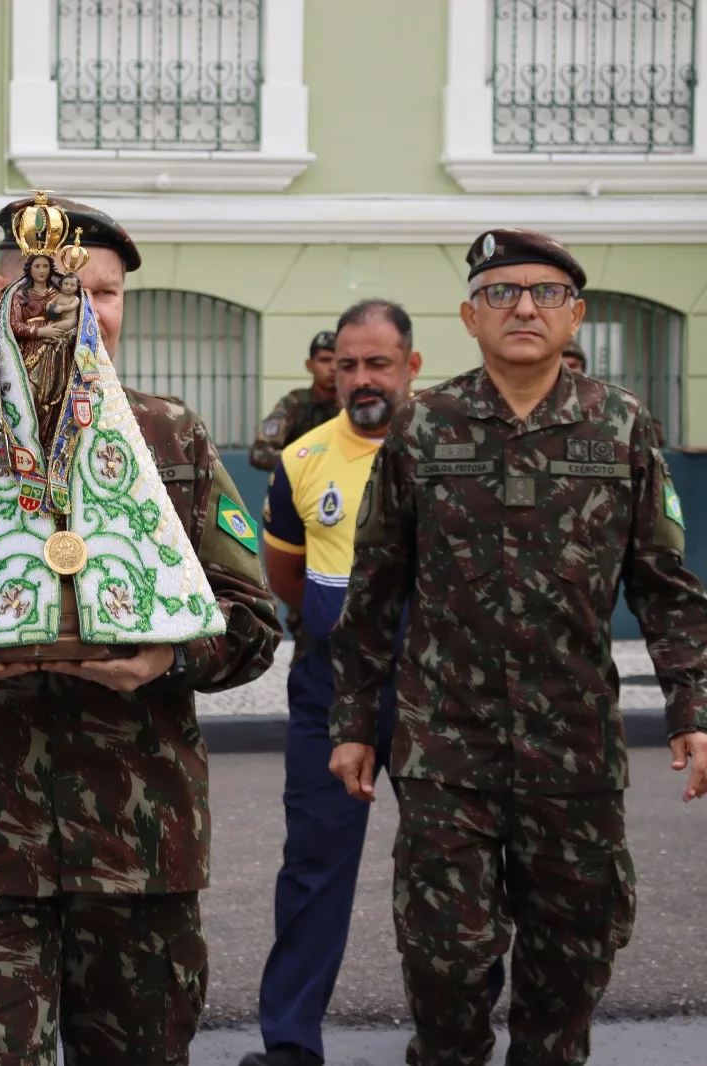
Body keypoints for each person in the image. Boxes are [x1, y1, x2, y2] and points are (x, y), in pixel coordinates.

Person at [0, 194, 282, 1065]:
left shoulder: (175, 440)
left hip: (141, 844)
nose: (80, 306)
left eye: (106, 292)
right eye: (56, 284)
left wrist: (165, 655)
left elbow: (253, 627)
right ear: (3, 292)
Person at [329, 228, 707, 1066]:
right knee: (444, 959)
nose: (524, 307)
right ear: (470, 316)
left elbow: (665, 586)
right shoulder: (424, 426)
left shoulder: (621, 426)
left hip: (573, 747)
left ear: (577, 315)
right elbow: (374, 587)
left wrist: (692, 705)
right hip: (444, 746)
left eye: (545, 293)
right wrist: (354, 720)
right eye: (502, 293)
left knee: (570, 962)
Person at [243, 302, 507, 1066]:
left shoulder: (459, 453)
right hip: (329, 691)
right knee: (314, 866)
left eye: (379, 364)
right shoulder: (302, 458)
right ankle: (291, 1043)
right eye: (349, 365)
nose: (362, 379)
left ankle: (455, 1035)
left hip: (441, 693)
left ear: (412, 368)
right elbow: (286, 576)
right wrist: (339, 637)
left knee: (455, 872)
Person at [249, 330, 341, 472]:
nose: (333, 368)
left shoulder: (355, 407)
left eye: (340, 361)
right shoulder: (294, 404)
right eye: (325, 360)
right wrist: (307, 460)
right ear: (309, 365)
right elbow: (260, 452)